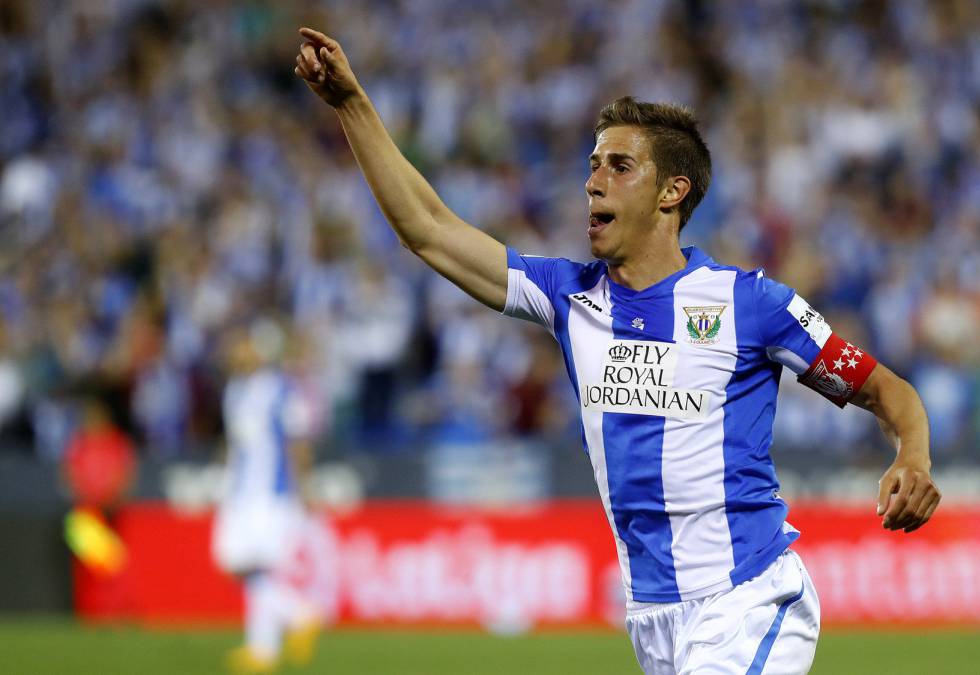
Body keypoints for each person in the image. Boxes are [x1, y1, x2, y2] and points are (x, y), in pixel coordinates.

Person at [294, 27, 940, 674]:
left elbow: (888, 389)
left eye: (618, 166)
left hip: (749, 599)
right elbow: (429, 230)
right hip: (653, 618)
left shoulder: (750, 304)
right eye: (593, 165)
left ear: (671, 192)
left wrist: (911, 453)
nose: (593, 182)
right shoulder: (568, 298)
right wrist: (352, 105)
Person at [212, 323, 322, 674]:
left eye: (244, 346)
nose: (235, 352)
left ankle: (263, 649)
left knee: (255, 565)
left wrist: (303, 489)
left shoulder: (281, 390)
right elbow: (234, 443)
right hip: (240, 491)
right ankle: (293, 618)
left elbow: (298, 442)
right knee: (238, 563)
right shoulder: (234, 390)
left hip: (270, 493)